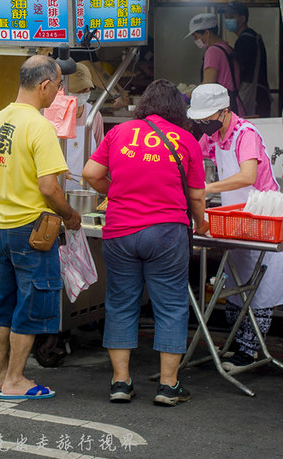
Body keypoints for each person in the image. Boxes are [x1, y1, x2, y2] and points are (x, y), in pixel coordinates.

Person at [82, 80, 206, 406]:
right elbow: (196, 195)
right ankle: (168, 386)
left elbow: (91, 173)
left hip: (120, 231)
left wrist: (116, 193)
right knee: (170, 306)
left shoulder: (120, 133)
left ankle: (120, 382)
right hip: (166, 232)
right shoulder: (187, 140)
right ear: (178, 109)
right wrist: (203, 224)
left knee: (121, 303)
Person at [0, 55, 81, 401]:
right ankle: (16, 379)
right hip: (33, 231)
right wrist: (69, 215)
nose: (59, 91)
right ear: (44, 86)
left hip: (2, 228)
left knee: (3, 304)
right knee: (31, 303)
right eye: (58, 85)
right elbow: (50, 187)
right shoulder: (39, 126)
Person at [187, 83, 283, 373]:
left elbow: (247, 175)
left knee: (259, 288)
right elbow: (194, 154)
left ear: (225, 110)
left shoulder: (246, 134)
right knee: (233, 286)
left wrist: (207, 188)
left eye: (209, 118)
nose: (205, 124)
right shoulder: (216, 136)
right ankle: (234, 344)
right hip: (235, 218)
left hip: (261, 218)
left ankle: (250, 350)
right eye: (201, 119)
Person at [185, 12, 245, 115]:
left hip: (224, 110)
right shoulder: (226, 47)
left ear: (207, 33)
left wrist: (186, 97)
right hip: (234, 104)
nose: (196, 40)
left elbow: (207, 84)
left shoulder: (213, 51)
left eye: (196, 36)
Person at [220, 1, 271, 117]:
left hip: (254, 98)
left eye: (231, 17)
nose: (228, 20)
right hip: (260, 96)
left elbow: (241, 70)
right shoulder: (252, 36)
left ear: (242, 19)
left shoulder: (245, 40)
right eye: (226, 17)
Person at [63, 62, 105, 192]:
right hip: (58, 188)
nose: (83, 93)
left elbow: (102, 153)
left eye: (86, 90)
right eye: (79, 90)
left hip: (87, 190)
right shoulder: (52, 113)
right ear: (65, 89)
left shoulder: (94, 115)